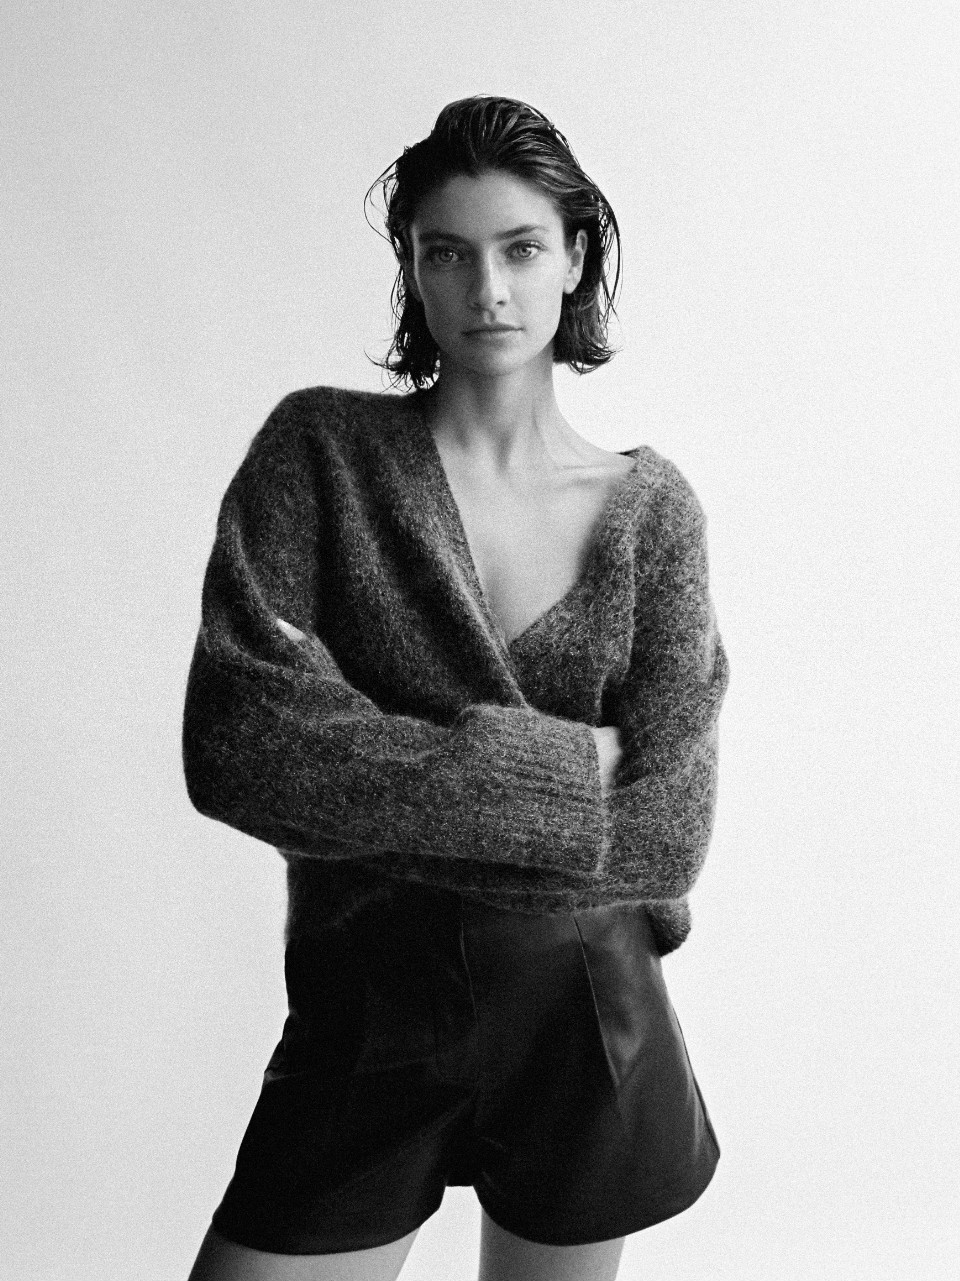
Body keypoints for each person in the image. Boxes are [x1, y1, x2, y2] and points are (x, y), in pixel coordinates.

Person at [183, 95, 730, 1281]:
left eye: (521, 249)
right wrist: (565, 775)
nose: (488, 289)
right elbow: (238, 743)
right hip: (367, 1010)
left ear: (575, 257)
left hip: (588, 1020)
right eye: (449, 253)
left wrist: (375, 787)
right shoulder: (321, 456)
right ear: (412, 270)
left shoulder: (652, 515)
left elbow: (668, 833)